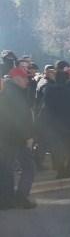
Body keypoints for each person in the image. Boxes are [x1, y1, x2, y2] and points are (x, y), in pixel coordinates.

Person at [0, 66, 37, 209]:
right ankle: (19, 198)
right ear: (16, 79)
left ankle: (7, 199)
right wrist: (27, 136)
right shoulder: (14, 94)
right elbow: (19, 119)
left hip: (9, 138)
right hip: (16, 138)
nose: (27, 80)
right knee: (28, 168)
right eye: (25, 77)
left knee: (6, 169)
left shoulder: (10, 92)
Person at [41, 60, 70, 178]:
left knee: (57, 149)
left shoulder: (49, 89)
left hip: (54, 123)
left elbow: (47, 105)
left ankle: (60, 171)